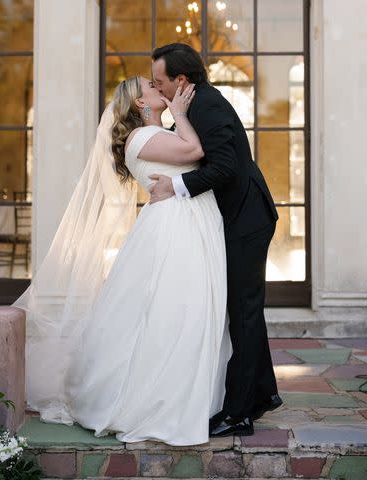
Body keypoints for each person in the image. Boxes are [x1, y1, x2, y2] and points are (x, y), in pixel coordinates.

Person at [13, 75, 232, 446]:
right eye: (151, 87)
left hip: (189, 224)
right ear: (139, 104)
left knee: (189, 310)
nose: (160, 90)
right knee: (172, 310)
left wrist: (174, 117)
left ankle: (192, 394)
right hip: (173, 230)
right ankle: (149, 399)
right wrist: (180, 113)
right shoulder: (143, 138)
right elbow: (194, 152)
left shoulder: (154, 134)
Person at [150, 43, 282, 437]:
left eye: (160, 82)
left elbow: (224, 166)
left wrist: (176, 186)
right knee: (242, 310)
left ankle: (238, 412)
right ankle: (262, 395)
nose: (157, 88)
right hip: (237, 217)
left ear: (181, 80)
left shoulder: (206, 105)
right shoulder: (192, 105)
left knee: (242, 311)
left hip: (247, 218)